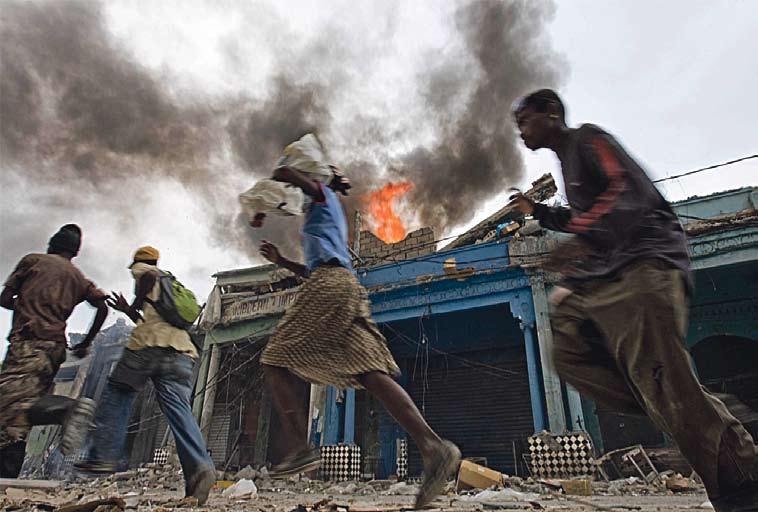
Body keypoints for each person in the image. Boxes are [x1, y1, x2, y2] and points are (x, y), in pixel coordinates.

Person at [511, 89, 758, 512]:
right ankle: (702, 407)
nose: (521, 133)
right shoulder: (568, 162)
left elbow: (626, 193)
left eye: (525, 122)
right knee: (569, 342)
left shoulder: (589, 140)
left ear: (551, 112)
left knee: (662, 382)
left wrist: (581, 237)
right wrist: (539, 212)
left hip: (647, 262)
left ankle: (741, 480)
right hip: (614, 273)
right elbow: (580, 216)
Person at [253, 165, 460, 508]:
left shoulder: (322, 194)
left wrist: (276, 181)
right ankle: (433, 447)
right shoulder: (326, 212)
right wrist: (283, 261)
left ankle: (301, 448)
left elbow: (292, 174)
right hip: (347, 288)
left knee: (274, 359)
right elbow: (315, 268)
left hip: (329, 285)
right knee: (371, 372)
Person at [75, 246, 215, 505]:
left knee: (117, 391)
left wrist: (135, 301)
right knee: (180, 412)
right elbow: (146, 314)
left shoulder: (148, 273)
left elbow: (148, 280)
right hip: (181, 351)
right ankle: (200, 469)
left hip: (148, 345)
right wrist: (130, 309)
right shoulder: (172, 284)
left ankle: (104, 454)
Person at [0, 224, 107, 477]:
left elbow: (4, 299)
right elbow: (102, 307)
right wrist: (85, 342)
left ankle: (66, 408)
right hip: (54, 349)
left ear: (52, 243)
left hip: (27, 343)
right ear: (75, 251)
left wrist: (24, 305)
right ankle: (7, 479)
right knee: (16, 421)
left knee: (8, 407)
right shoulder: (77, 277)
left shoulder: (33, 261)